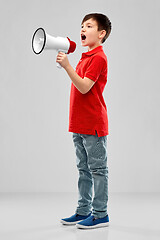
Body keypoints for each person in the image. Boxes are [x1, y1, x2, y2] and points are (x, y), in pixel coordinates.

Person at [56, 13, 112, 229]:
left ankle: (100, 214)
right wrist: (69, 66)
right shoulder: (85, 56)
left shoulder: (98, 58)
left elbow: (84, 87)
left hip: (93, 124)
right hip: (79, 124)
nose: (83, 29)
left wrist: (68, 67)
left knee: (97, 170)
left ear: (101, 33)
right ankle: (83, 210)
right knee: (83, 169)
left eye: (89, 26)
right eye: (81, 26)